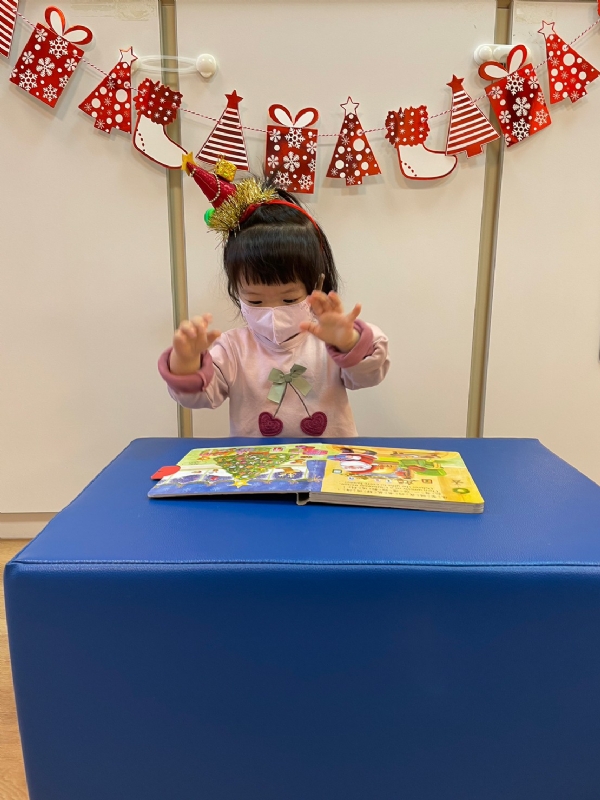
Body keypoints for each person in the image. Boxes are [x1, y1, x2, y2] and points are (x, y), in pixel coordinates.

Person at [158, 157, 389, 438]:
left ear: (316, 285)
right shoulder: (232, 349)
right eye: (255, 301)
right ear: (236, 291)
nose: (272, 312)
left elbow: (370, 375)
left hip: (329, 462)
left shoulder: (328, 341)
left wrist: (348, 341)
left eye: (289, 299)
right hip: (255, 466)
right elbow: (198, 397)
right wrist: (185, 360)